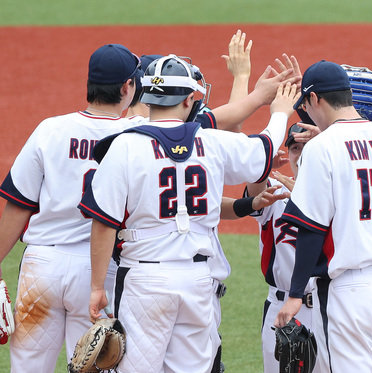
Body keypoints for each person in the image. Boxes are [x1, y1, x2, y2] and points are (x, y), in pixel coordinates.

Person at [80, 54, 300, 373]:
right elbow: (265, 150)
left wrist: (97, 286)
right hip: (198, 281)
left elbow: (104, 222)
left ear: (147, 96)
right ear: (188, 100)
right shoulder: (211, 141)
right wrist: (279, 113)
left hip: (144, 280)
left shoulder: (125, 146)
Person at [274, 60, 372, 372]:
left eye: (306, 104)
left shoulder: (323, 146)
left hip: (347, 291)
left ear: (316, 99)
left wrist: (294, 295)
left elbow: (311, 228)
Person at [0, 43, 140, 372]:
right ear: (126, 87)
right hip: (98, 268)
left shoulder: (50, 129)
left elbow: (17, 205)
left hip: (41, 267)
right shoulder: (134, 137)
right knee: (94, 367)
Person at [244, 123, 313, 373]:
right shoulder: (277, 191)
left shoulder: (339, 190)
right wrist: (262, 169)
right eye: (295, 148)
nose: (301, 154)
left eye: (308, 146)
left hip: (330, 305)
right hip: (282, 306)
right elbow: (253, 196)